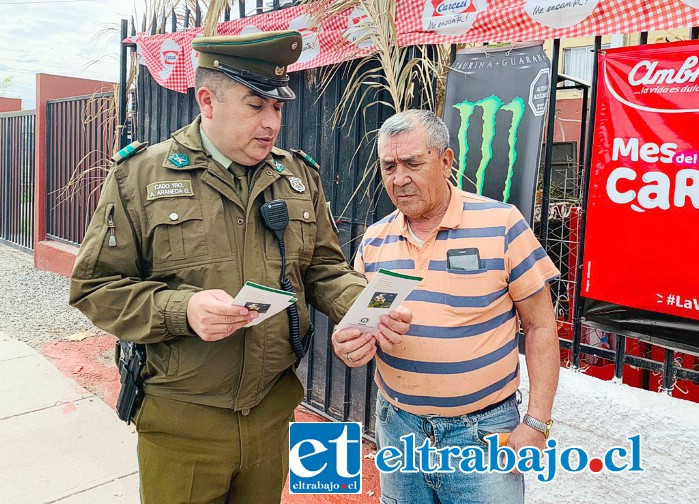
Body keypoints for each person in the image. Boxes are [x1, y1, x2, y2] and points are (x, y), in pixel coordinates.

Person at [69, 31, 411, 504]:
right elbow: (94, 287)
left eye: (278, 108)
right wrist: (182, 309)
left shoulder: (297, 177)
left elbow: (323, 268)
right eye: (256, 105)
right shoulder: (141, 177)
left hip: (272, 412)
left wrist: (364, 306)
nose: (272, 122)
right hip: (183, 421)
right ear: (207, 101)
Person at [331, 110, 560, 503]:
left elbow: (540, 326)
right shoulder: (373, 241)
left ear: (447, 161)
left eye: (412, 163)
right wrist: (349, 346)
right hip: (398, 428)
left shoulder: (502, 223)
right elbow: (360, 327)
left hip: (484, 434)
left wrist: (536, 424)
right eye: (389, 166)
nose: (399, 178)